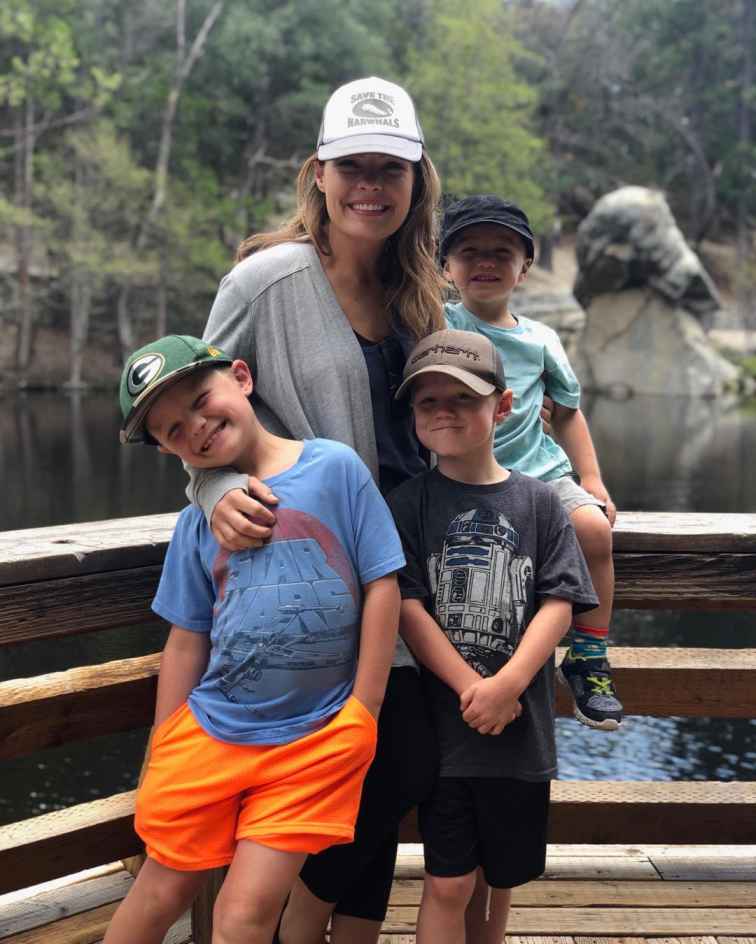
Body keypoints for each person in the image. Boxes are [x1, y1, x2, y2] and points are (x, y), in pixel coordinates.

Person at [184, 77, 448, 944]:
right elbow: (193, 415)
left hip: (414, 579)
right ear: (319, 175)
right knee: (340, 790)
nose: (371, 185)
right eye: (352, 167)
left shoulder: (419, 293)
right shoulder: (266, 280)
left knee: (392, 775)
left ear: (417, 181)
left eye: (390, 169)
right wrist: (217, 491)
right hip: (319, 593)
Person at [105, 334, 404, 944]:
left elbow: (382, 585)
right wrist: (163, 742)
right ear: (166, 449)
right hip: (210, 732)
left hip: (315, 740)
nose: (194, 426)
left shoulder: (335, 469)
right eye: (170, 430)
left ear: (241, 376)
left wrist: (363, 711)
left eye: (199, 398)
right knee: (160, 888)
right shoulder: (198, 520)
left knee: (243, 916)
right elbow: (187, 639)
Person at [386, 328, 599, 943]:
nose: (445, 411)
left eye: (464, 397)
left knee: (501, 878)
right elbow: (407, 605)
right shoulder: (409, 505)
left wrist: (507, 684)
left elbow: (561, 601)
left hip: (520, 735)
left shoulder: (540, 503)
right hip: (446, 732)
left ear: (502, 407)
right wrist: (472, 688)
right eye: (428, 402)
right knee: (448, 882)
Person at [441, 194, 623, 731]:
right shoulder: (434, 321)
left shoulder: (541, 339)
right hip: (466, 480)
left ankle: (589, 656)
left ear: (526, 267)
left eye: (503, 251)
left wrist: (591, 478)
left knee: (592, 528)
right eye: (469, 251)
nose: (486, 263)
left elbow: (567, 414)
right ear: (446, 267)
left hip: (540, 476)